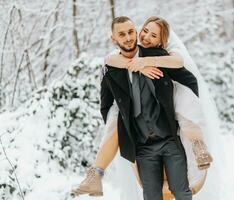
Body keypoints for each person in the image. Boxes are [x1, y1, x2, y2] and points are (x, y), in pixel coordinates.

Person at [72, 16, 219, 199]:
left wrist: (146, 63)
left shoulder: (158, 56)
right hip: (142, 147)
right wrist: (124, 126)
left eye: (131, 32)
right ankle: (95, 174)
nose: (128, 38)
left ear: (136, 31)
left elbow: (187, 77)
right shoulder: (111, 69)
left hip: (169, 141)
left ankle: (198, 143)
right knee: (151, 196)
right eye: (122, 34)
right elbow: (105, 103)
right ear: (114, 39)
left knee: (181, 191)